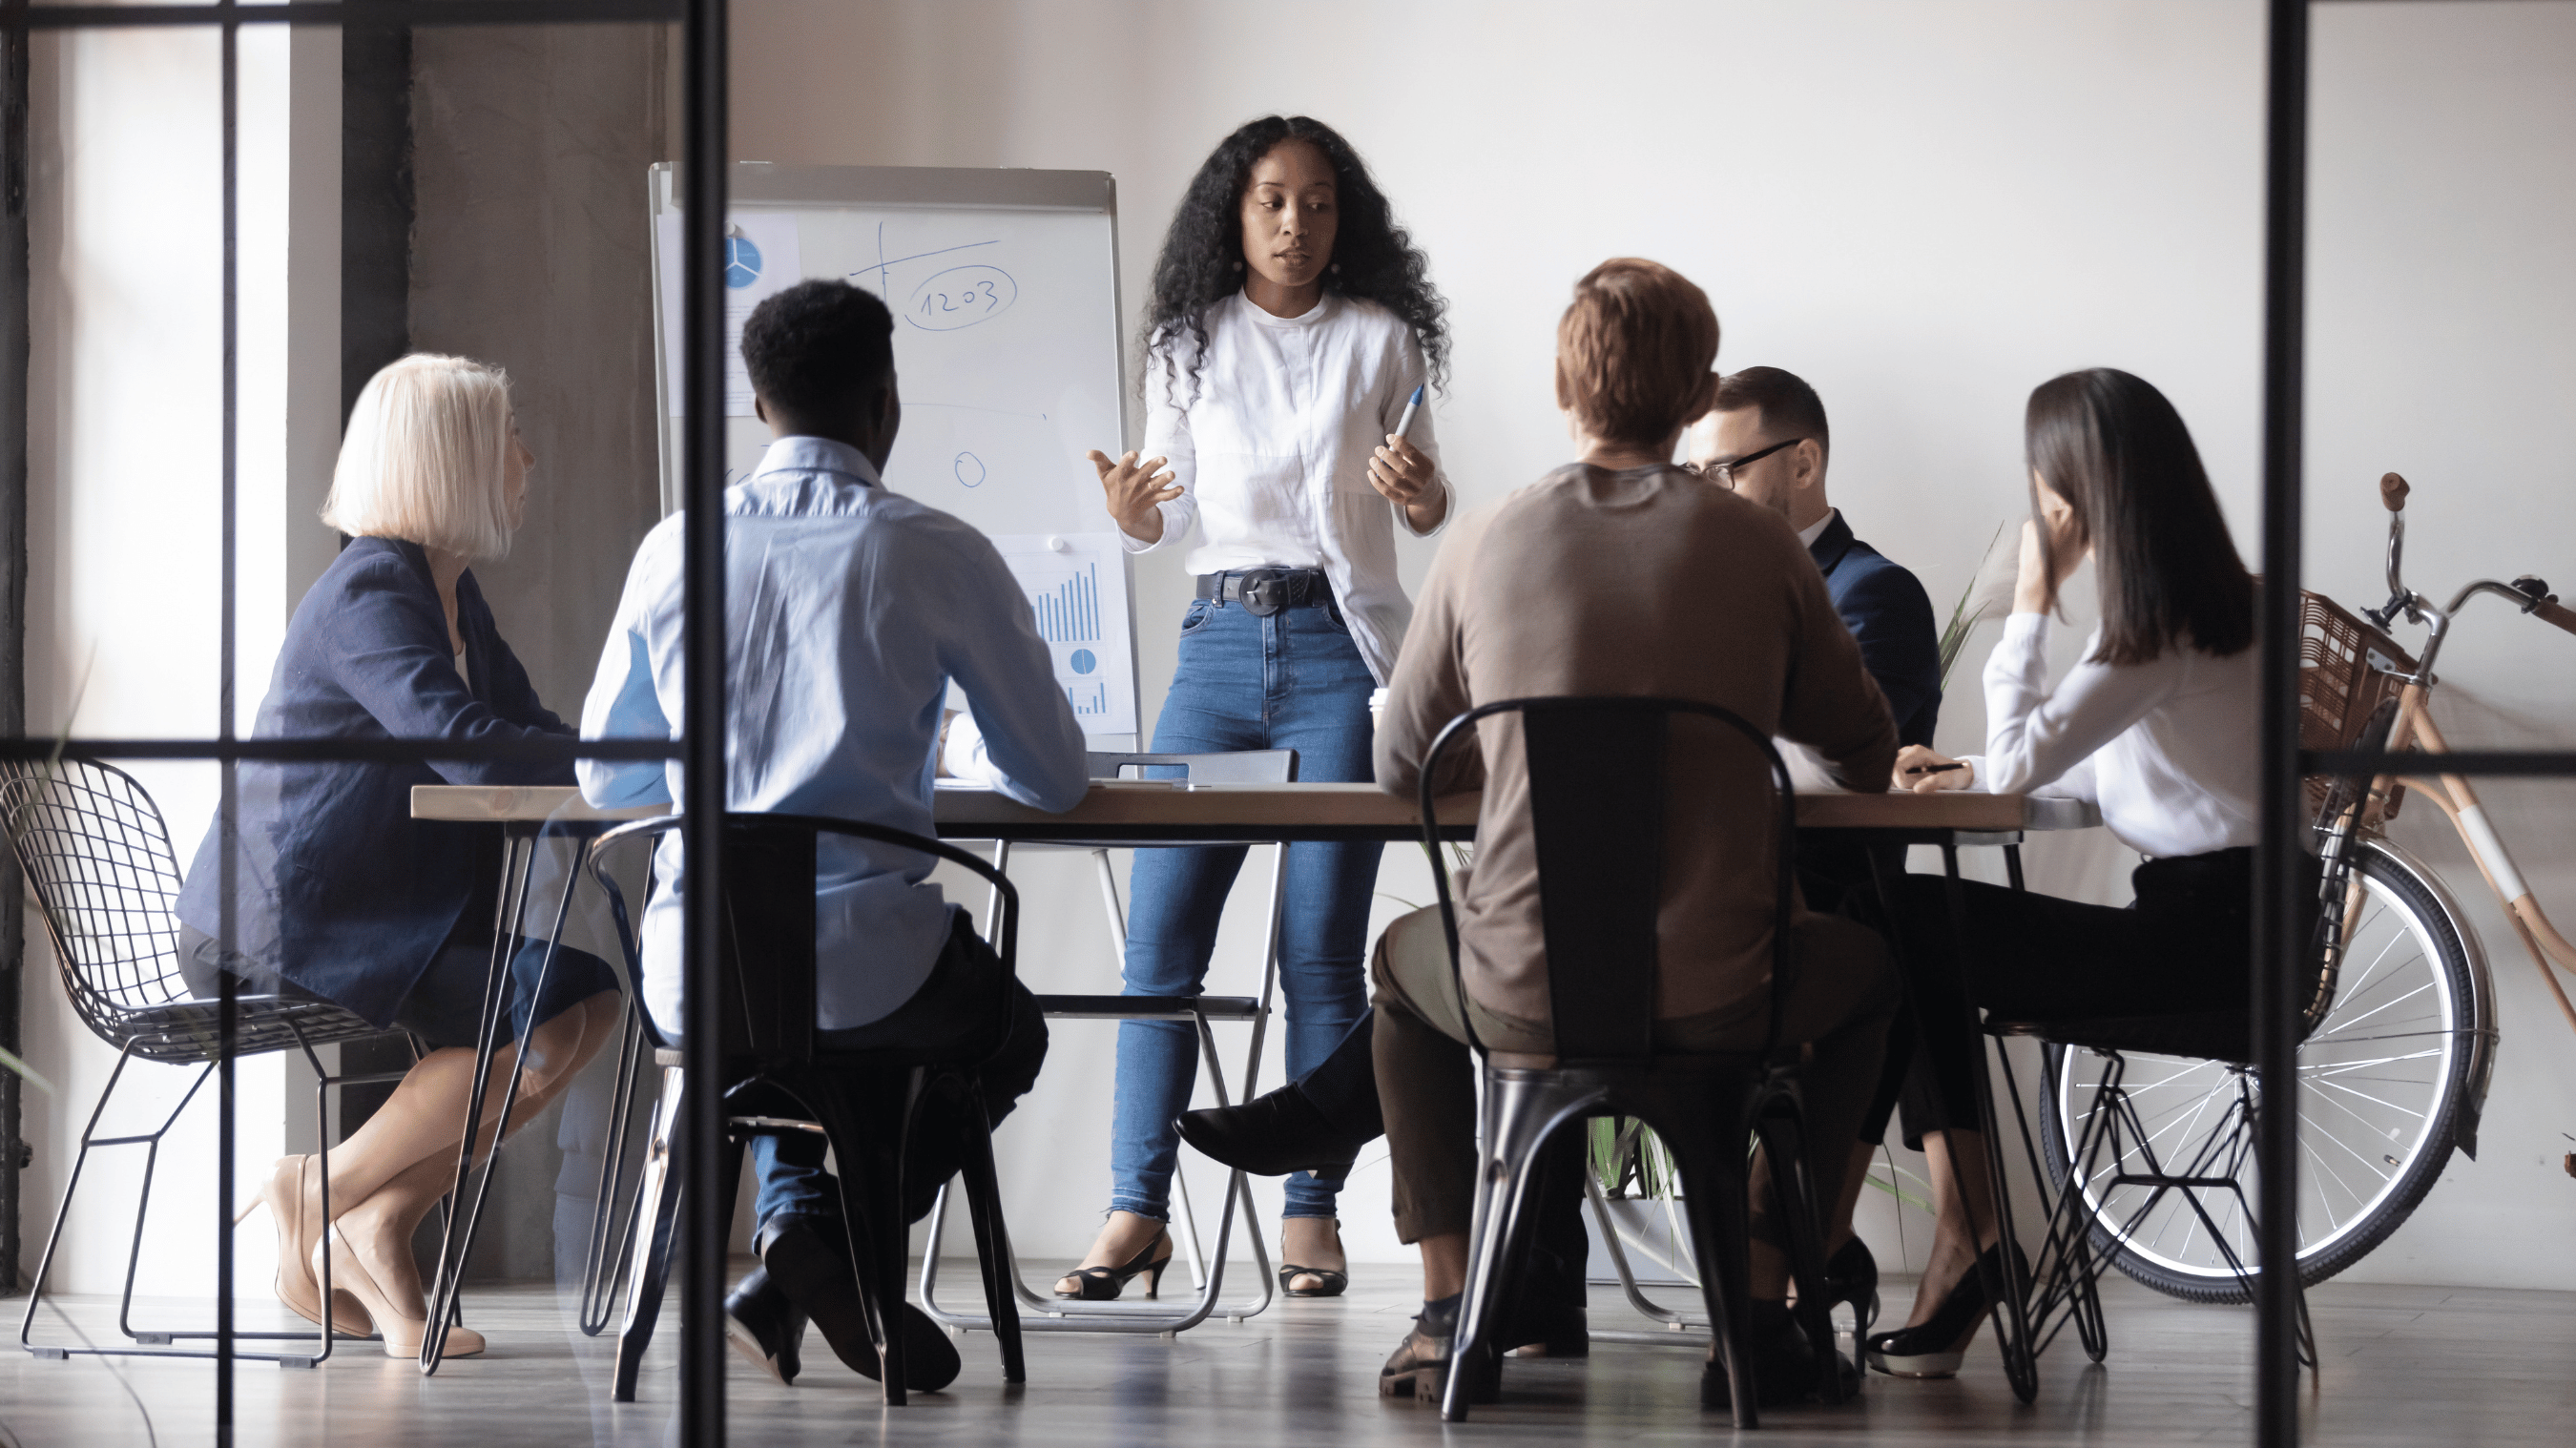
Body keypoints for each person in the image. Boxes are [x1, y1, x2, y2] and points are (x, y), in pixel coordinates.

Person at [1367, 259, 1900, 1408]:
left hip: (1520, 990)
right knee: (1871, 978)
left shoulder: (1484, 543)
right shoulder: (1763, 549)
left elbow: (1399, 762)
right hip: (1726, 993)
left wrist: (1504, 746)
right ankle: (1756, 1306)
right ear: (1696, 389)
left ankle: (1453, 1306)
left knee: (1397, 975)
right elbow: (1865, 746)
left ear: (1566, 387)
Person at [579, 279, 1087, 1392]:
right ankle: (822, 1247)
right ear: (885, 403)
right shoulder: (934, 550)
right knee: (1000, 1037)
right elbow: (1053, 777)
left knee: (777, 1037)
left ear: (758, 407)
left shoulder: (674, 549)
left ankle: (789, 1264)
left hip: (694, 974)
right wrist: (947, 748)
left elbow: (608, 772)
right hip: (875, 974)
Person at [1066, 114, 1451, 1302]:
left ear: (1348, 219)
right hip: (1219, 652)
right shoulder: (1186, 342)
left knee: (1321, 948)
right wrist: (1136, 521)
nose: (1298, 224)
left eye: (1321, 202)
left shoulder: (1384, 340)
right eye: (1275, 201)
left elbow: (1427, 510)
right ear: (1234, 212)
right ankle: (1137, 1210)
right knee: (1160, 944)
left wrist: (1428, 492)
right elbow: (1170, 515)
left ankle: (1310, 1207)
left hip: (1341, 652)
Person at [1861, 366, 2309, 1379]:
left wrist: (2027, 601)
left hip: (2202, 947)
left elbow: (2036, 760)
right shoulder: (2227, 611)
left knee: (1898, 923)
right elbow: (2102, 769)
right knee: (1912, 931)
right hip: (2240, 931)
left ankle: (1960, 1238)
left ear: (2073, 493)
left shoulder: (2154, 634)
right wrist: (1969, 773)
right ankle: (1964, 1242)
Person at [185, 354, 626, 1359]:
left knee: (582, 1000)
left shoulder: (450, 596)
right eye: (506, 437)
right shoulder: (371, 590)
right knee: (558, 1003)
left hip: (376, 916)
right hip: (289, 923)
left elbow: (524, 724)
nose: (525, 457)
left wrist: (630, 760)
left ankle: (371, 1224)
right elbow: (469, 742)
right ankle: (322, 1193)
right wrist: (625, 760)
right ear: (453, 460)